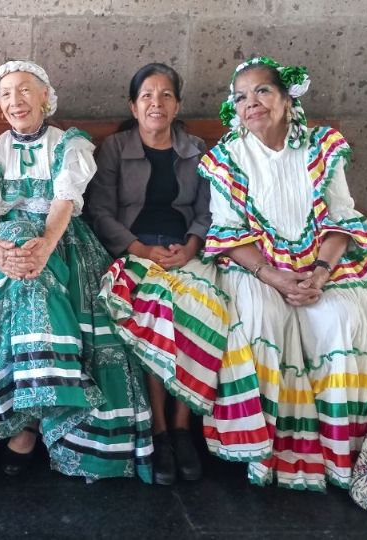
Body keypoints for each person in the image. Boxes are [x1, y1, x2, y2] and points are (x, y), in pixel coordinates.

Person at [198, 57, 367, 491]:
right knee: (261, 321)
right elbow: (227, 232)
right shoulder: (226, 157)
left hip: (324, 263)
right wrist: (273, 276)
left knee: (344, 320)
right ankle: (265, 454)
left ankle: (347, 453)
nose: (252, 103)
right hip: (256, 268)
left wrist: (319, 273)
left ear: (286, 98)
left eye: (262, 91)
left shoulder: (321, 147)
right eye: (241, 97)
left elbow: (342, 218)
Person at [0, 61, 153, 483]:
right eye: (6, 94)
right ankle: (23, 411)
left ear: (44, 97)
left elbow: (64, 204)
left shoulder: (68, 144)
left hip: (60, 242)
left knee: (38, 283)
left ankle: (37, 419)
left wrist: (42, 249)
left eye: (24, 91)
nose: (15, 101)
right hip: (1, 246)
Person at [85, 63, 270, 485]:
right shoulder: (114, 148)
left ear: (177, 104)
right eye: (147, 95)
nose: (157, 103)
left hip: (186, 251)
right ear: (134, 106)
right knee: (156, 306)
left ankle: (183, 425)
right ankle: (159, 427)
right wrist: (139, 249)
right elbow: (99, 211)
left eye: (166, 95)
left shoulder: (195, 149)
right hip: (135, 250)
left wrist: (191, 246)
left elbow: (209, 211)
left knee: (201, 305)